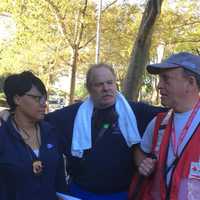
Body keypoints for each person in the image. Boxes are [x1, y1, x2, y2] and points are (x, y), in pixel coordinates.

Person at [45, 63, 166, 200]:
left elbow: (174, 114)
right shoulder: (70, 115)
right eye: (99, 84)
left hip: (123, 194)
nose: (106, 88)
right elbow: (39, 121)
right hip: (81, 194)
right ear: (89, 88)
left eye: (110, 83)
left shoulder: (137, 112)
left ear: (116, 84)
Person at [129, 52, 200, 200]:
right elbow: (139, 151)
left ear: (191, 83)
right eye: (160, 79)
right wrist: (143, 164)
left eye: (166, 79)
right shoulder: (158, 123)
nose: (159, 86)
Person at [0, 71, 67, 200]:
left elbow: (60, 180)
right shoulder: (3, 138)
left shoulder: (52, 133)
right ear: (17, 99)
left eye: (44, 98)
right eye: (36, 98)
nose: (43, 103)